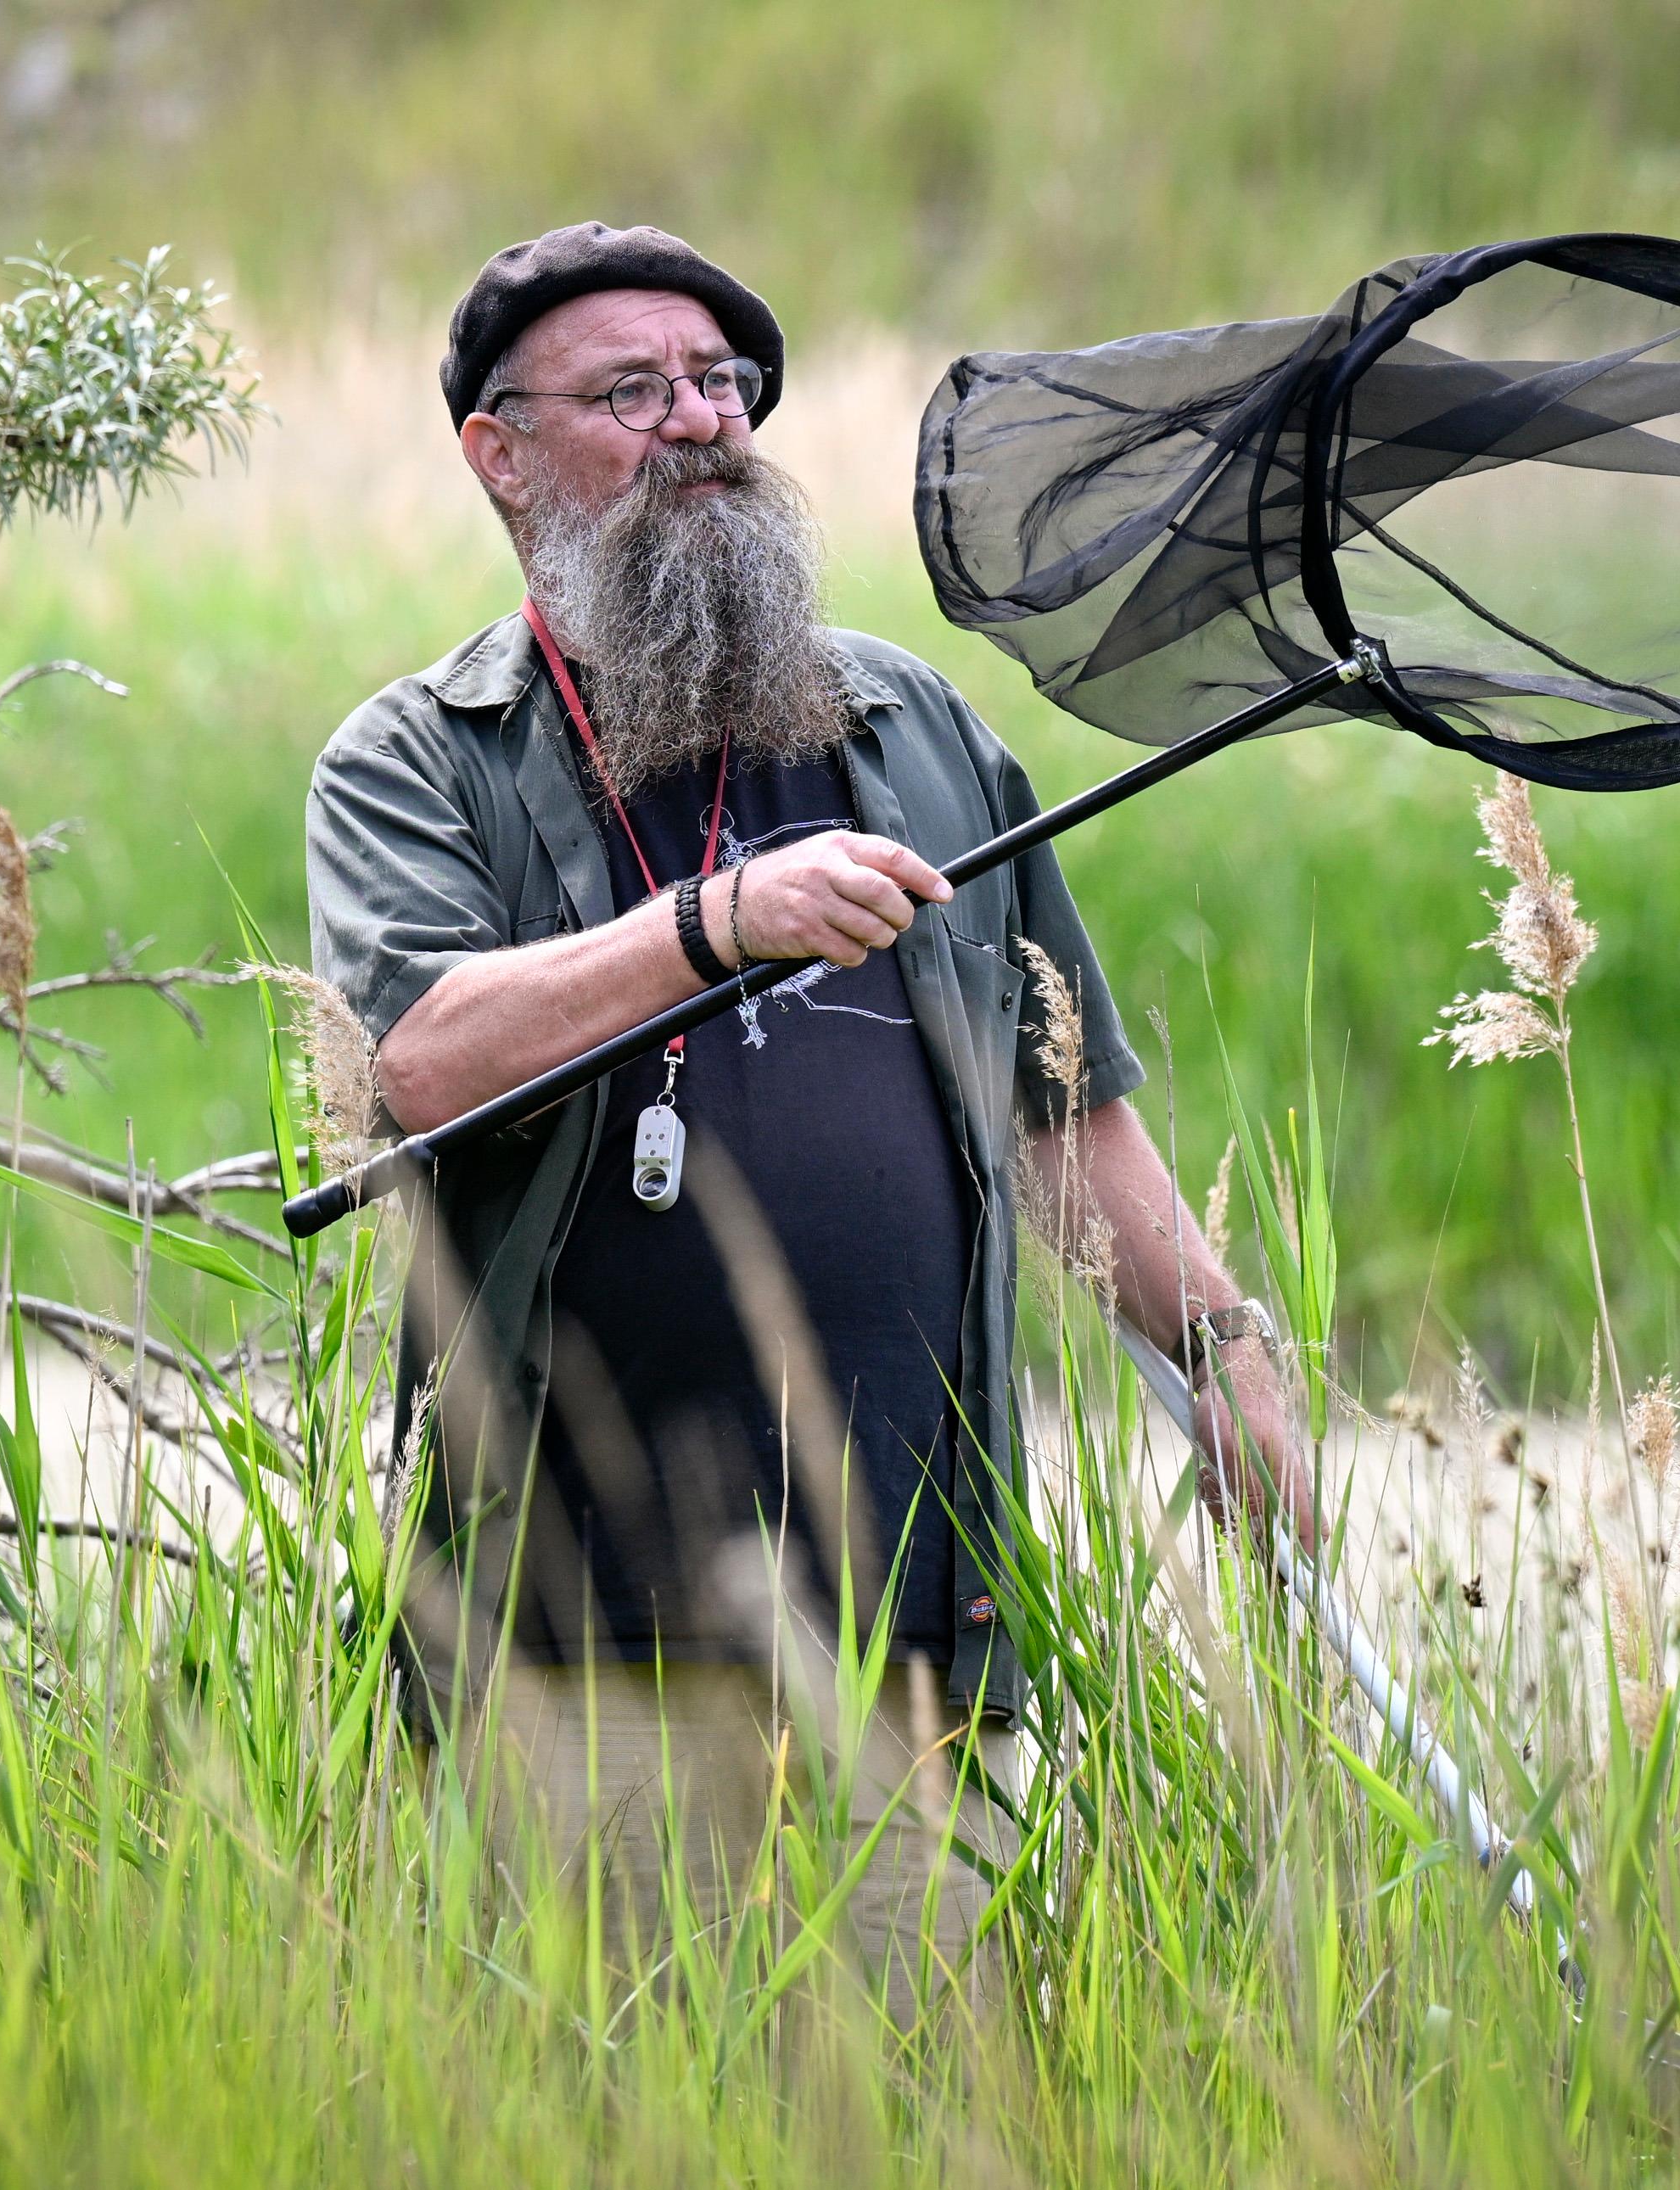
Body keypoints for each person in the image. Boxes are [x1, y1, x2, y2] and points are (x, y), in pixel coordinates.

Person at [305, 221, 1302, 2004]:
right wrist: (712, 925)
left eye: (721, 384)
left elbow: (1064, 1109)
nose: (699, 423)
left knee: (918, 2121)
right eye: (635, 390)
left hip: (912, 1641)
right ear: (500, 454)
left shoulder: (912, 726)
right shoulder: (421, 755)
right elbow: (428, 1060)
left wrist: (1224, 1345)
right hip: (571, 1646)